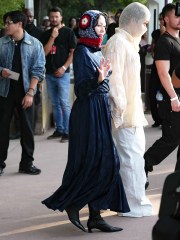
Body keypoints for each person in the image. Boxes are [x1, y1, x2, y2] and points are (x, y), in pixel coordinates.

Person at [42, 10, 130, 233]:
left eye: (104, 25)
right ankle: (77, 205)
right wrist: (99, 78)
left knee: (105, 161)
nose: (102, 29)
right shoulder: (82, 51)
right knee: (97, 160)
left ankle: (94, 216)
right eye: (98, 25)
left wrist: (103, 79)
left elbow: (100, 83)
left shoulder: (95, 50)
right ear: (87, 26)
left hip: (99, 110)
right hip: (87, 112)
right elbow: (81, 90)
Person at [104, 2, 153, 217]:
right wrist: (119, 112)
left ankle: (134, 200)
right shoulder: (117, 43)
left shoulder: (129, 43)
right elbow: (114, 82)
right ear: (132, 20)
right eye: (144, 23)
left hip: (133, 113)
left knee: (135, 159)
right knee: (130, 160)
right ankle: (132, 204)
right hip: (124, 115)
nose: (146, 28)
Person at [0, 10, 46, 176]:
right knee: (2, 129)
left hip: (26, 92)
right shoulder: (2, 43)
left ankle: (27, 163)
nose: (6, 26)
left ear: (19, 24)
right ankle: (0, 163)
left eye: (8, 23)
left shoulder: (35, 44)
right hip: (4, 92)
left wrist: (30, 93)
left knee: (27, 130)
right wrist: (1, 71)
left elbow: (39, 69)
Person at [144, 3, 180, 188]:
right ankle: (145, 162)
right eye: (177, 16)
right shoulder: (165, 42)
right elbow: (163, 72)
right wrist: (173, 97)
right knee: (171, 138)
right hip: (172, 98)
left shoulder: (178, 39)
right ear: (166, 18)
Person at [40, 7, 77, 142]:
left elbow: (73, 52)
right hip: (49, 73)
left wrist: (64, 67)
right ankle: (59, 129)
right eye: (52, 17)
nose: (54, 19)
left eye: (56, 17)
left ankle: (67, 132)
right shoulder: (46, 34)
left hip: (63, 73)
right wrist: (52, 37)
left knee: (64, 103)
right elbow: (44, 52)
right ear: (49, 18)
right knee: (55, 103)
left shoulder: (68, 33)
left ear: (61, 17)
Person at [149, 13, 165, 128]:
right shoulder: (156, 33)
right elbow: (153, 48)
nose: (160, 22)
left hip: (168, 67)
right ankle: (157, 119)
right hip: (156, 66)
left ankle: (164, 119)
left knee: (165, 93)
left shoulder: (172, 33)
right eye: (159, 19)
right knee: (152, 91)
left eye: (162, 19)